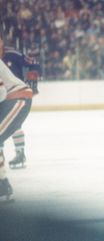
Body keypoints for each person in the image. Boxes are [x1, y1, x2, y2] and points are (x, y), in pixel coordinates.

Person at [0, 36, 40, 168]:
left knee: (15, 126)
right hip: (6, 94)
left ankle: (19, 152)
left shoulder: (13, 54)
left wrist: (33, 76)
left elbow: (33, 62)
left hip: (16, 93)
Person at [0, 58, 33, 201]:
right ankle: (3, 185)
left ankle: (3, 186)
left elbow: (1, 91)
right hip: (10, 99)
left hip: (17, 98)